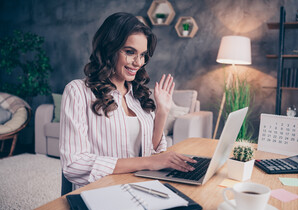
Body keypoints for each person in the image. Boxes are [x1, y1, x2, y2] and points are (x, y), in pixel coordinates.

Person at [59, 12, 196, 189]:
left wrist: (162, 111)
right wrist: (146, 163)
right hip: (102, 192)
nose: (138, 62)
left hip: (142, 186)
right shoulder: (78, 91)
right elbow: (74, 164)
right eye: (130, 52)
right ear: (109, 49)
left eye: (143, 55)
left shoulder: (138, 95)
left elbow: (153, 152)